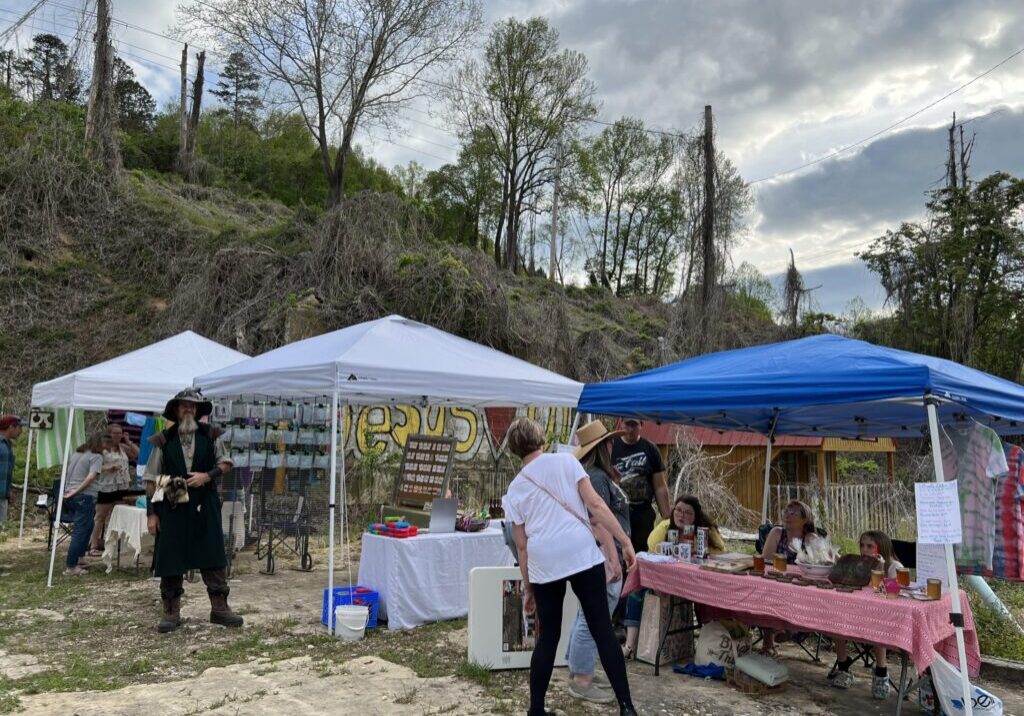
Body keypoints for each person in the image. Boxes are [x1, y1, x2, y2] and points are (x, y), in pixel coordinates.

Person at [502, 417, 639, 716]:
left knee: (548, 635)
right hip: (579, 551)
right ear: (540, 438)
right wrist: (624, 542)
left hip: (544, 559)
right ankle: (627, 707)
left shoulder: (515, 489)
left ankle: (536, 709)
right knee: (601, 628)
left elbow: (521, 545)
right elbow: (597, 507)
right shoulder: (567, 462)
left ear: (514, 449)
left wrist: (528, 587)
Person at [144, 388, 241, 633]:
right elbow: (150, 479)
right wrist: (152, 514)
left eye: (193, 406)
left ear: (198, 411)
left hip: (204, 501)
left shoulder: (211, 435)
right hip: (172, 501)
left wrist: (206, 476)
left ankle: (220, 609)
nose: (188, 409)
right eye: (184, 406)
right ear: (176, 410)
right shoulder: (163, 440)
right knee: (171, 555)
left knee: (212, 552)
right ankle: (171, 613)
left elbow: (226, 463)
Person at [565, 420, 631, 704]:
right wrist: (612, 559)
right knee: (593, 619)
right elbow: (598, 521)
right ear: (603, 447)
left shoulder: (594, 475)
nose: (613, 445)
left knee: (589, 616)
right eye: (609, 441)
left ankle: (580, 669)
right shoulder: (597, 478)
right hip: (602, 557)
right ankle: (582, 678)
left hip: (597, 556)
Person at [621, 496, 724, 658]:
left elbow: (720, 551)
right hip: (666, 579)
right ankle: (630, 644)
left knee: (711, 594)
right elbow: (652, 548)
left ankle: (712, 642)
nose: (682, 515)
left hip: (696, 580)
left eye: (688, 513)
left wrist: (698, 551)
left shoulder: (704, 531)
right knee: (637, 589)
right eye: (678, 510)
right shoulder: (665, 527)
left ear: (696, 515)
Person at [829, 530, 903, 698]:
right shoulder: (861, 564)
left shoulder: (894, 567)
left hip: (882, 617)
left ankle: (881, 671)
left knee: (877, 623)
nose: (864, 550)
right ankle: (843, 665)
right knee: (837, 615)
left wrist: (880, 570)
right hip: (857, 611)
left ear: (882, 548)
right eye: (862, 546)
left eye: (870, 546)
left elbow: (893, 594)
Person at [758, 499, 821, 655]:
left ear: (805, 519)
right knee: (767, 591)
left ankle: (786, 629)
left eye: (793, 513)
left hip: (801, 586)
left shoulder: (810, 538)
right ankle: (772, 636)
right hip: (776, 582)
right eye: (786, 511)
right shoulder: (776, 533)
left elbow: (821, 564)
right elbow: (765, 561)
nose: (788, 515)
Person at [612, 419, 669, 554]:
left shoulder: (650, 449)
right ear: (621, 423)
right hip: (618, 512)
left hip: (643, 511)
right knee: (619, 552)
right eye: (627, 424)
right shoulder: (612, 446)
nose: (630, 429)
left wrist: (667, 518)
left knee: (641, 554)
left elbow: (660, 486)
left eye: (634, 425)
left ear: (642, 425)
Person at [61, 433, 104, 576]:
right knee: (80, 530)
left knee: (88, 526)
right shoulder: (97, 456)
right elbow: (91, 477)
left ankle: (80, 558)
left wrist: (68, 491)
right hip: (83, 496)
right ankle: (71, 566)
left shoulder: (78, 454)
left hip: (70, 494)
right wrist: (76, 491)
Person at [88, 431, 130, 556]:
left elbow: (137, 454)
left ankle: (114, 544)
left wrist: (128, 442)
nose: (118, 436)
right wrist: (108, 467)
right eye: (115, 433)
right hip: (106, 486)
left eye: (120, 433)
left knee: (118, 515)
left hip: (121, 485)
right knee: (100, 516)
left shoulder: (122, 448)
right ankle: (93, 545)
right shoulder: (101, 449)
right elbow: (93, 467)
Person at [0, 415, 23, 530]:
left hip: (3, 496)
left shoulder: (7, 445)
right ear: (11, 427)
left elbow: (6, 471)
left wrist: (8, 490)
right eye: (19, 428)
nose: (21, 432)